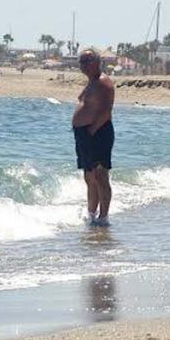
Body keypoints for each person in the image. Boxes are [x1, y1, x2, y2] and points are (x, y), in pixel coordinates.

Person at [72, 49, 115, 225]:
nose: (83, 65)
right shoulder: (91, 83)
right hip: (84, 134)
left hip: (98, 133)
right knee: (89, 177)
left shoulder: (103, 82)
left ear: (97, 62)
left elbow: (106, 111)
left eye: (87, 60)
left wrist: (91, 131)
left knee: (100, 175)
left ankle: (103, 217)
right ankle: (91, 214)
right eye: (81, 61)